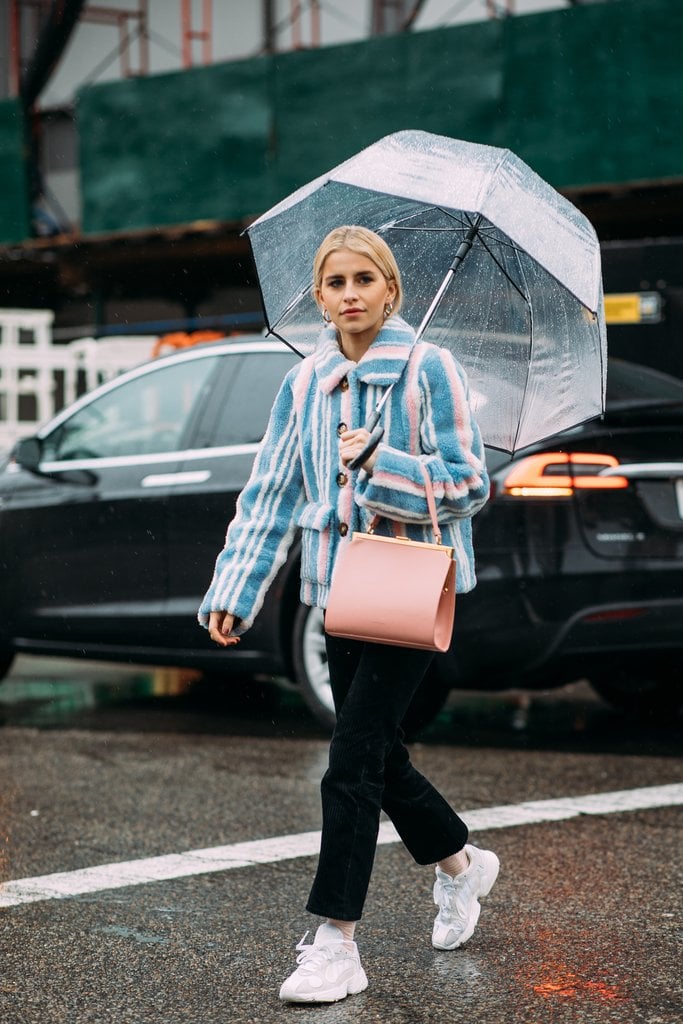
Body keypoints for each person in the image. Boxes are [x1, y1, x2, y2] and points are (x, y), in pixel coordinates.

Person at [199, 225, 498, 1004]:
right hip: (338, 592)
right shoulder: (305, 385)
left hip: (406, 588)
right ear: (320, 296)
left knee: (351, 761)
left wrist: (377, 464)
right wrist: (237, 586)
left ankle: (335, 942)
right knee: (377, 755)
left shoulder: (429, 370)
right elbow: (270, 492)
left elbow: (470, 484)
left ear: (391, 291)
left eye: (366, 279)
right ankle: (461, 865)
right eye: (336, 283)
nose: (351, 294)